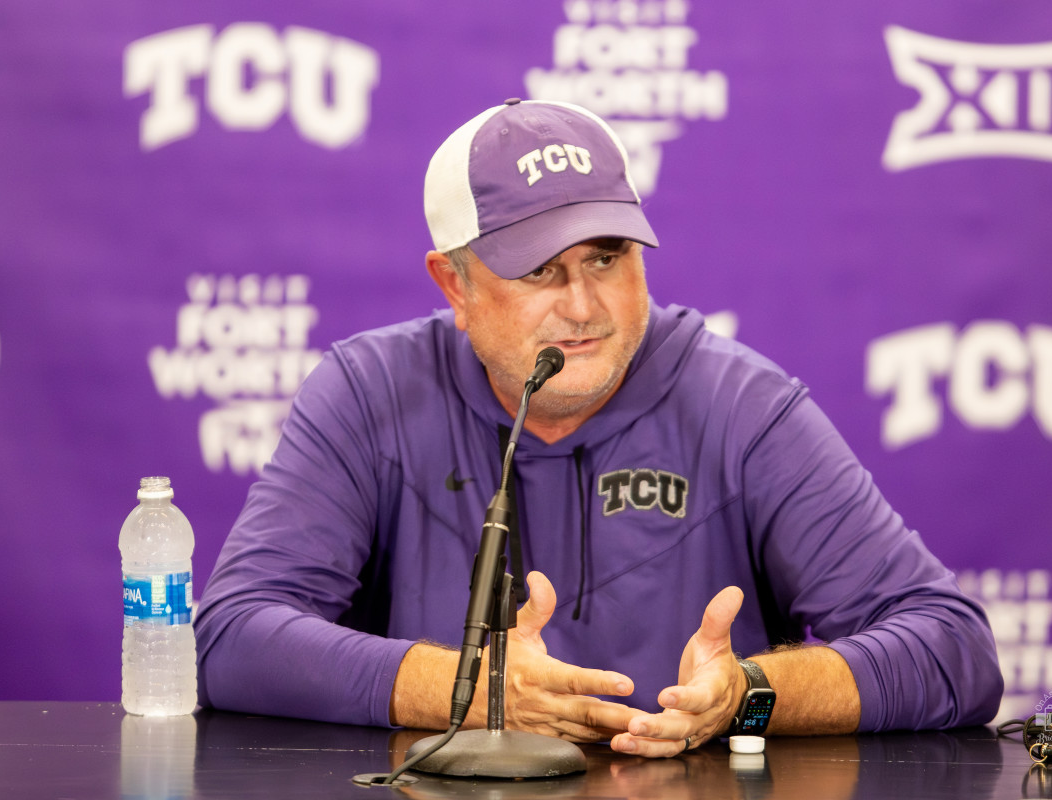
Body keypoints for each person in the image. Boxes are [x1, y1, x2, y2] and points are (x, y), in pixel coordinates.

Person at [193, 98, 1003, 758]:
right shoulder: (367, 393)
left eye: (608, 257)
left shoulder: (742, 405)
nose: (582, 307)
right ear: (456, 284)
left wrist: (750, 694)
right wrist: (467, 689)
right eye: (540, 269)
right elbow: (231, 636)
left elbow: (953, 650)